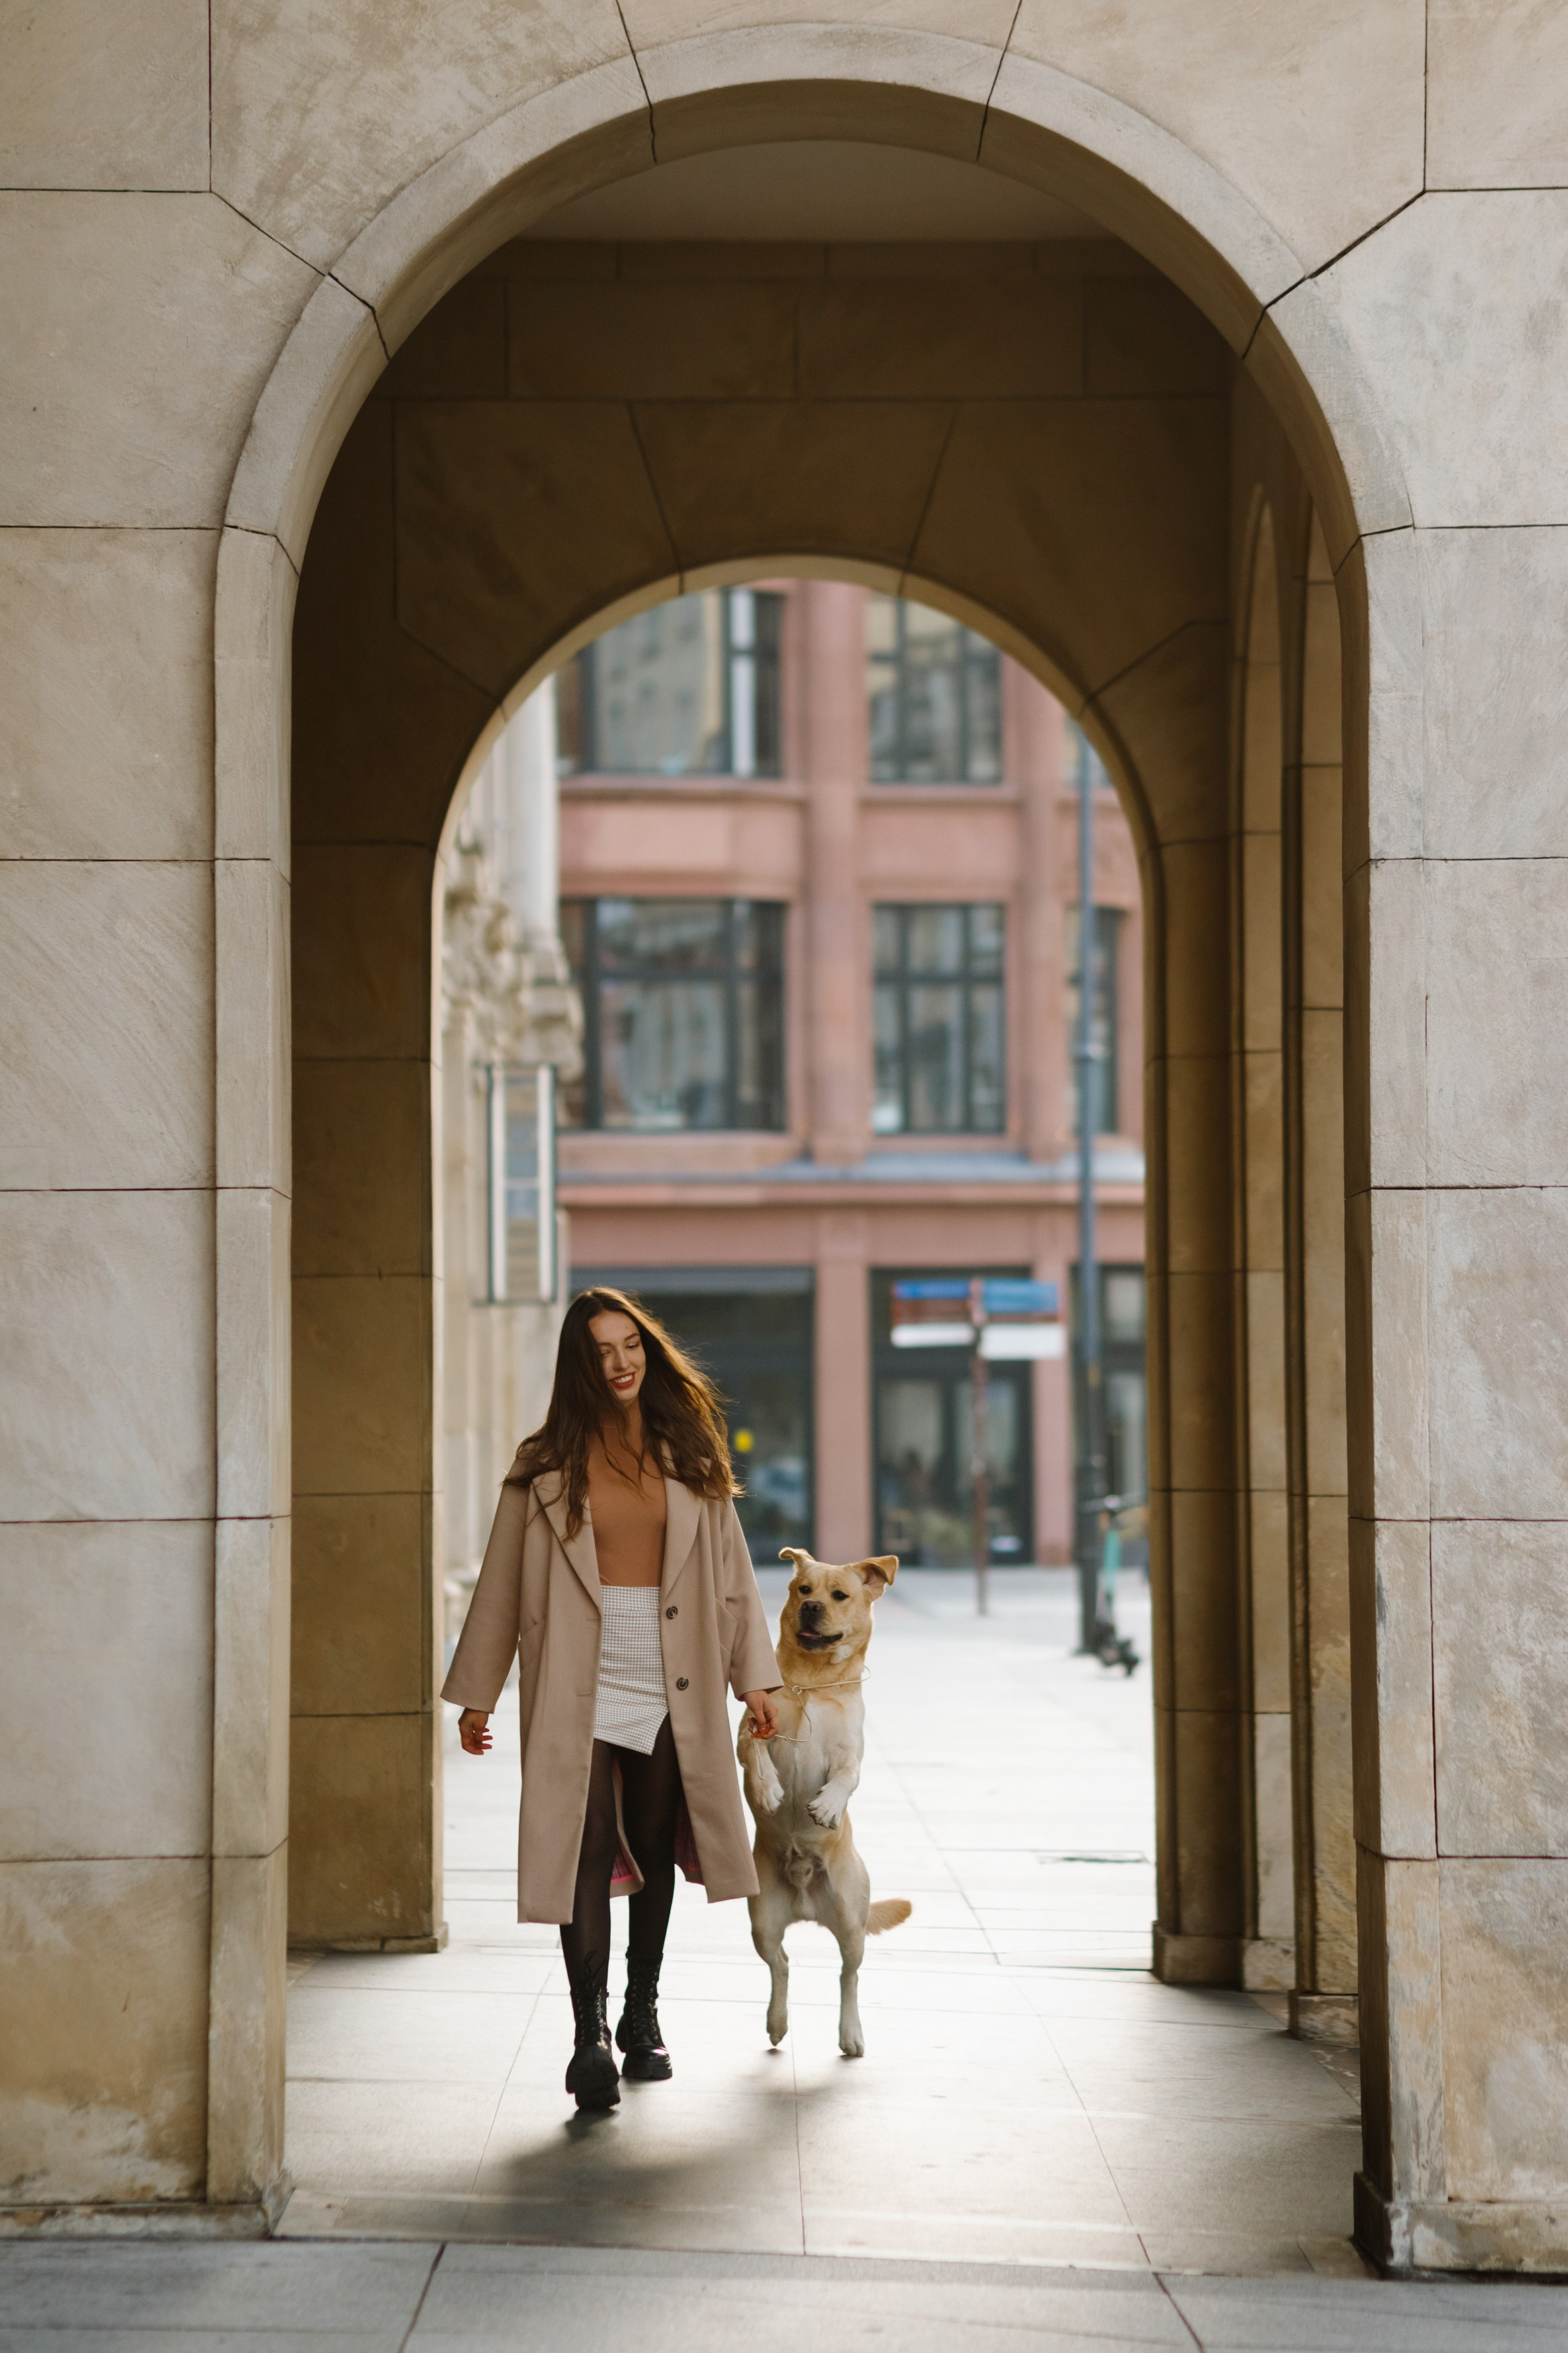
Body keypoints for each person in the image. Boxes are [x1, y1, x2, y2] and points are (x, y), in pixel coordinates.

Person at [442, 1287, 783, 2111]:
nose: (620, 1361)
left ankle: (641, 2012)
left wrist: (756, 1679)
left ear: (647, 1349)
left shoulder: (689, 1451)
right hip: (576, 1673)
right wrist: (478, 1695)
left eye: (629, 1344)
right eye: (601, 1350)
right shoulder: (544, 1463)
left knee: (659, 1845)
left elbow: (731, 1580)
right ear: (580, 1365)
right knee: (585, 1845)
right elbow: (499, 1583)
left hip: (674, 1672)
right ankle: (587, 2033)